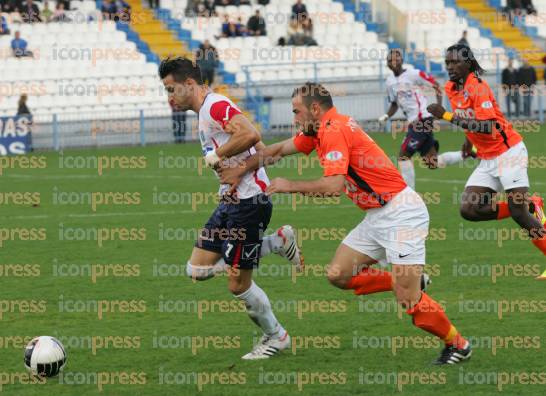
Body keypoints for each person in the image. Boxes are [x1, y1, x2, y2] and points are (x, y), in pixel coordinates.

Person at [219, 82, 471, 365]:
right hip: (378, 214)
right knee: (339, 274)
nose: (294, 119)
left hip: (402, 214)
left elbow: (333, 186)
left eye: (297, 112)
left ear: (315, 109)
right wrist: (239, 170)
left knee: (408, 299)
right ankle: (410, 281)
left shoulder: (333, 131)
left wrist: (289, 184)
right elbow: (276, 150)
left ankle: (457, 344)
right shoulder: (319, 129)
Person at [159, 57, 304, 360]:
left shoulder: (214, 105)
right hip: (230, 200)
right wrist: (237, 169)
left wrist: (218, 156)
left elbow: (250, 134)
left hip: (249, 203)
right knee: (196, 270)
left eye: (172, 89)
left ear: (189, 84)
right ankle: (278, 242)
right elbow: (263, 152)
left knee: (237, 283)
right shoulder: (205, 114)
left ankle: (276, 337)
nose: (170, 97)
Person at [426, 44, 546, 255]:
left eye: (455, 62)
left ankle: (526, 209)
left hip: (509, 153)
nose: (450, 67)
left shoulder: (478, 87)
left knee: (520, 215)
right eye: (447, 62)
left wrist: (446, 116)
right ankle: (530, 203)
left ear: (469, 64)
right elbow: (467, 116)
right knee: (470, 209)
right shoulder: (451, 88)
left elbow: (488, 125)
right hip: (488, 158)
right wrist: (468, 141)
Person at [379, 49, 467, 190]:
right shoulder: (389, 82)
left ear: (402, 60)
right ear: (387, 64)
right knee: (432, 162)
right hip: (413, 123)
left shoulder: (414, 74)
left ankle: (409, 196)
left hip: (422, 120)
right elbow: (394, 104)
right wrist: (386, 116)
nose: (393, 62)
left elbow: (436, 86)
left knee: (403, 156)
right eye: (390, 60)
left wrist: (439, 108)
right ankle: (469, 153)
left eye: (396, 59)